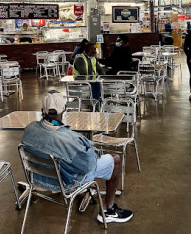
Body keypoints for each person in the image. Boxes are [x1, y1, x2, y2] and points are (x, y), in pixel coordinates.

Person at [21, 91, 133, 224]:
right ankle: (108, 211)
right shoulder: (70, 139)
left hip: (38, 180)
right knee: (114, 159)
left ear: (42, 111)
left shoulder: (29, 129)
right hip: (65, 183)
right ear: (64, 111)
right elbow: (88, 165)